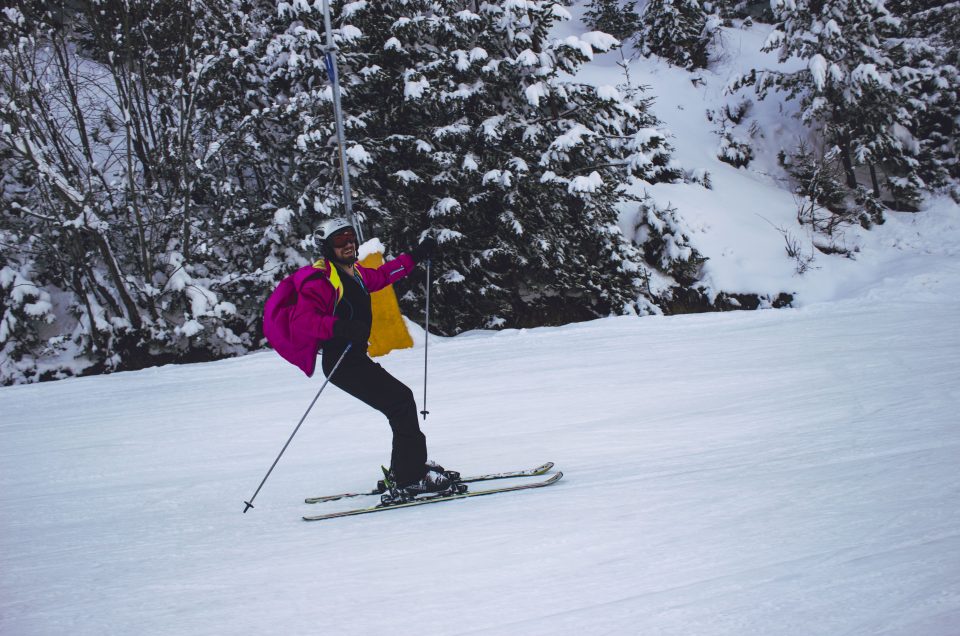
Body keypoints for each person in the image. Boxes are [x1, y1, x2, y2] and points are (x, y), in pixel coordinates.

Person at [266, 217, 451, 498]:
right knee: (401, 402)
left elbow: (385, 274)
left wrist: (415, 256)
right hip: (341, 362)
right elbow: (304, 321)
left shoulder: (356, 273)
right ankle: (410, 476)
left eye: (351, 237)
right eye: (340, 241)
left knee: (399, 402)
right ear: (326, 247)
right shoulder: (321, 280)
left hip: (355, 359)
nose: (348, 244)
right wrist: (340, 327)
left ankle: (406, 469)